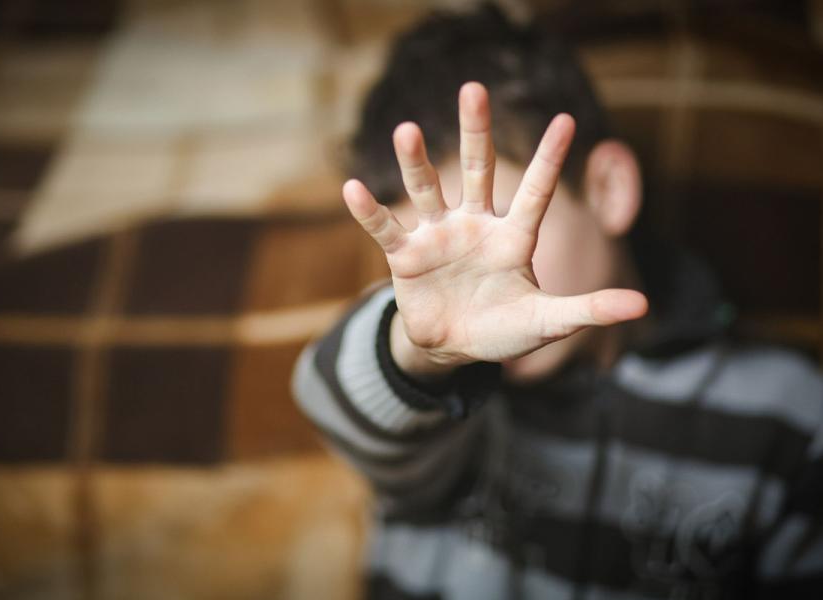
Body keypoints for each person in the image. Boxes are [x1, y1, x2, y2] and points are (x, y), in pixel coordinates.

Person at [292, 6, 823, 599]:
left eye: (495, 226)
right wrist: (419, 352)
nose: (474, 296)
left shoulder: (791, 415)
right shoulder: (440, 401)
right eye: (437, 267)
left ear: (606, 190)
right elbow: (331, 397)